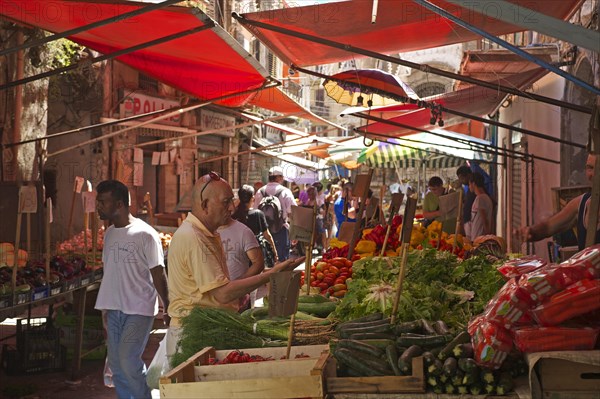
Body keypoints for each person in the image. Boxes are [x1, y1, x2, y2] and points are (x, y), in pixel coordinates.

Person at [166, 172, 305, 365]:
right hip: (193, 336)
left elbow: (221, 287)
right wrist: (272, 275)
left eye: (232, 200)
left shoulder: (206, 234)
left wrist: (270, 273)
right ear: (205, 205)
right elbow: (223, 294)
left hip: (207, 330)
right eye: (226, 202)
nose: (232, 207)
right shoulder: (193, 238)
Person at [94, 180, 170, 399]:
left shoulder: (145, 234)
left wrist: (168, 306)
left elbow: (158, 272)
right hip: (113, 309)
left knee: (128, 360)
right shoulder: (109, 234)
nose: (97, 206)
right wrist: (106, 310)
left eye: (102, 202)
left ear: (118, 204)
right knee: (116, 364)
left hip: (138, 308)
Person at [518, 154, 600, 250]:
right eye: (590, 168)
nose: (593, 174)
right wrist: (531, 232)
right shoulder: (581, 203)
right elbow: (548, 227)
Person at [217, 217, 264, 311]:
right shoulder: (202, 231)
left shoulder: (243, 231)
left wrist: (238, 285)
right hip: (210, 302)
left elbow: (258, 263)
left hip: (239, 299)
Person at [253, 166, 296, 260]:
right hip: (281, 230)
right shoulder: (285, 191)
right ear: (279, 177)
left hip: (263, 232)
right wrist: (294, 233)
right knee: (282, 262)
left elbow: (255, 211)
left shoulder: (260, 192)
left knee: (266, 262)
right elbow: (293, 212)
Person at [232, 184, 278, 266]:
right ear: (252, 198)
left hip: (237, 254)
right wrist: (274, 252)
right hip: (255, 254)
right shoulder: (258, 214)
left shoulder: (233, 216)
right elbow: (267, 235)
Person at [464, 172, 494, 241]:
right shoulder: (481, 198)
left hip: (480, 238)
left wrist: (488, 236)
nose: (469, 187)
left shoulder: (481, 198)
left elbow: (485, 220)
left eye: (469, 184)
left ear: (473, 183)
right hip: (477, 237)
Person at [457, 165, 476, 234]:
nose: (461, 181)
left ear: (468, 175)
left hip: (473, 223)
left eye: (462, 178)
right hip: (468, 222)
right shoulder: (468, 189)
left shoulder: (474, 189)